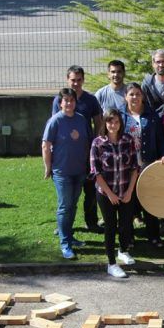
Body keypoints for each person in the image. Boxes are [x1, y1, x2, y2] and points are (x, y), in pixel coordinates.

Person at [51, 65, 103, 233]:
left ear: (83, 80)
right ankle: (65, 226)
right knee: (67, 196)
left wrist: (95, 145)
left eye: (79, 80)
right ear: (68, 80)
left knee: (90, 190)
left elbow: (98, 122)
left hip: (87, 152)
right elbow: (55, 124)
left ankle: (91, 221)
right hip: (66, 155)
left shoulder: (90, 100)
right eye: (73, 80)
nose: (76, 83)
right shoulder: (60, 99)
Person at [42, 88, 91, 260]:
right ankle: (65, 244)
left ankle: (69, 236)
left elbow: (86, 143)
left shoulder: (81, 119)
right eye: (66, 100)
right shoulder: (55, 121)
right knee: (64, 206)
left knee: (73, 205)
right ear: (60, 103)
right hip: (62, 172)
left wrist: (87, 165)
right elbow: (46, 146)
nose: (69, 103)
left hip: (79, 171)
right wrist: (47, 167)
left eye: (72, 100)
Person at [91, 109, 140, 279]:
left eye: (117, 122)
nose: (113, 125)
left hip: (126, 190)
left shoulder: (128, 140)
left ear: (121, 123)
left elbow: (135, 167)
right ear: (105, 123)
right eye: (110, 122)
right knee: (110, 227)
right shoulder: (98, 143)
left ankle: (123, 250)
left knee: (126, 224)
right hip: (106, 193)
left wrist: (129, 191)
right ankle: (111, 263)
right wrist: (110, 194)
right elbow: (96, 172)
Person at [122, 82, 164, 247]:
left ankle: (154, 236)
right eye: (131, 94)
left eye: (138, 94)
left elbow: (160, 139)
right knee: (128, 203)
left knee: (149, 201)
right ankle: (129, 237)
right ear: (125, 97)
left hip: (148, 164)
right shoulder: (120, 116)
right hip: (127, 167)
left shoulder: (152, 115)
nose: (135, 97)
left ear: (142, 96)